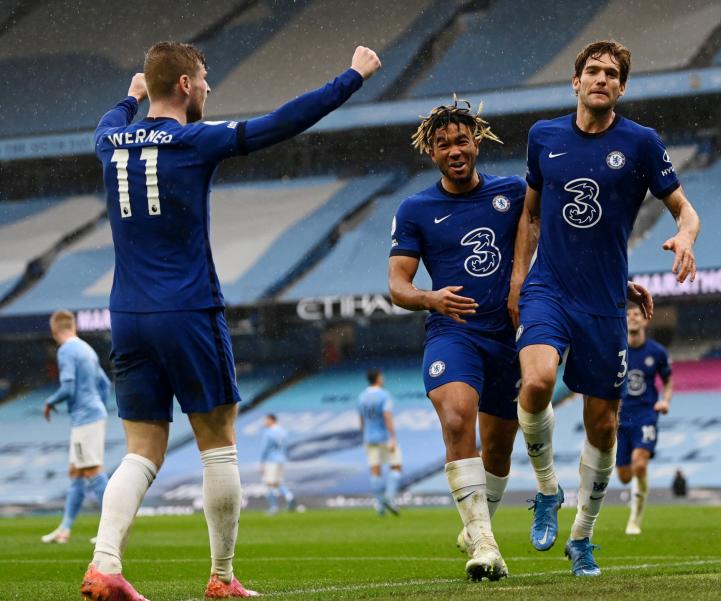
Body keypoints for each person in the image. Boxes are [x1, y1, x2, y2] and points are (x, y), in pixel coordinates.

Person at [81, 41, 381, 601]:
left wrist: (130, 97)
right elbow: (278, 125)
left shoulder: (108, 140)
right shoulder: (195, 140)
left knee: (140, 450)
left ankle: (104, 565)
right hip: (187, 309)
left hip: (127, 315)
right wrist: (351, 78)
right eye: (205, 79)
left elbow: (112, 118)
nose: (209, 89)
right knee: (217, 444)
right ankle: (221, 579)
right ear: (187, 86)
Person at [507, 40, 700, 576]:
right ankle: (547, 490)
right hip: (549, 288)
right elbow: (529, 214)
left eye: (612, 74)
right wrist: (519, 279)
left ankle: (582, 537)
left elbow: (686, 212)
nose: (601, 79)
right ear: (575, 81)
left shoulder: (640, 143)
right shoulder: (543, 137)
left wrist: (685, 237)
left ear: (622, 87)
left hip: (606, 302)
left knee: (603, 424)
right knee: (538, 382)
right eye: (592, 70)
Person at [388, 98, 525, 581]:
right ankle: (485, 545)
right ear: (431, 151)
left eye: (462, 140)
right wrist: (431, 298)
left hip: (509, 338)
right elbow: (398, 285)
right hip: (453, 333)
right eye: (443, 144)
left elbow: (550, 242)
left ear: (477, 143)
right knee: (455, 416)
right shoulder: (416, 209)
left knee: (501, 449)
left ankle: (476, 526)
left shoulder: (514, 192)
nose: (454, 150)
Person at [41, 310, 111, 545]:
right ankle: (65, 529)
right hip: (90, 414)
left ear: (54, 330)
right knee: (76, 472)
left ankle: (112, 529)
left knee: (92, 470)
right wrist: (96, 405)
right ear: (74, 327)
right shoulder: (86, 349)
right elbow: (105, 383)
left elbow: (68, 388)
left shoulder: (67, 350)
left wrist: (50, 401)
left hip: (85, 418)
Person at [615, 303, 673, 535]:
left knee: (640, 463)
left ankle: (634, 520)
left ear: (645, 320)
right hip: (621, 417)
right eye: (628, 315)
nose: (633, 318)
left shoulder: (657, 352)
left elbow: (668, 381)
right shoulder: (616, 350)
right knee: (624, 476)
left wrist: (665, 401)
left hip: (646, 414)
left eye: (637, 314)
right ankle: (635, 502)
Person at [357, 369, 402, 516]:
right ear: (377, 378)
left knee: (375, 471)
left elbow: (361, 419)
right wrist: (393, 436)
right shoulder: (384, 395)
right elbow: (387, 415)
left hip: (369, 438)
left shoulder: (362, 397)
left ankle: (379, 506)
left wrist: (364, 434)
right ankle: (388, 498)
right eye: (381, 376)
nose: (383, 379)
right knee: (396, 466)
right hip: (383, 437)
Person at [259, 414, 296, 515]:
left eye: (266, 420)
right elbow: (286, 446)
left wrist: (262, 463)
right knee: (277, 483)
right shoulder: (283, 432)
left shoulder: (268, 433)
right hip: (282, 459)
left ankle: (273, 507)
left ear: (271, 420)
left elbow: (264, 449)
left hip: (271, 460)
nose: (265, 422)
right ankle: (289, 496)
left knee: (269, 483)